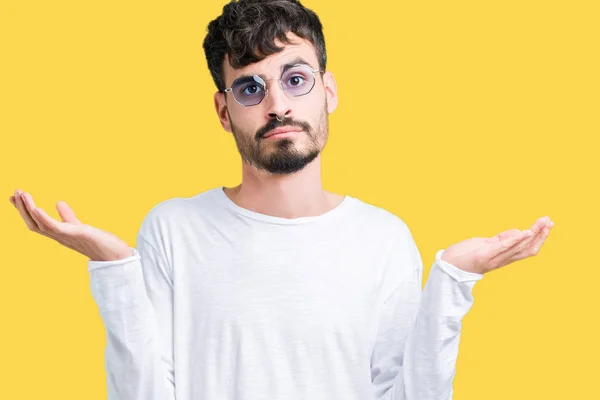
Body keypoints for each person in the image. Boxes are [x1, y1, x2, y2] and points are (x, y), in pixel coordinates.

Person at [9, 1, 554, 399]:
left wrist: (452, 281)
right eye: (250, 88)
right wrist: (115, 270)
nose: (277, 105)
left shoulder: (384, 238)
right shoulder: (174, 228)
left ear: (328, 91)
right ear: (224, 112)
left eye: (296, 78)